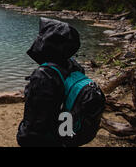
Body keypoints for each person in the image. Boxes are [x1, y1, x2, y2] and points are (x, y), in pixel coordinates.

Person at [16, 17, 85, 147]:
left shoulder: (44, 74)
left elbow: (36, 118)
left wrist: (23, 135)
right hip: (65, 132)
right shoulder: (75, 67)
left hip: (47, 138)